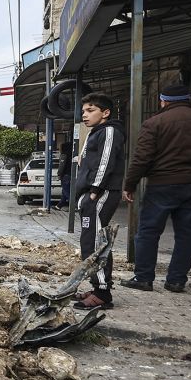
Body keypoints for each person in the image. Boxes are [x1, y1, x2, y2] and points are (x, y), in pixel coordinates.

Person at [120, 82, 191, 293]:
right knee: (188, 234)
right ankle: (176, 281)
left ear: (163, 101)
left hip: (162, 185)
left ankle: (143, 278)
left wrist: (130, 184)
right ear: (188, 100)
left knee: (148, 232)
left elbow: (142, 158)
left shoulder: (154, 123)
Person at [72, 93, 125, 310]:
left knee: (95, 241)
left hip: (100, 194)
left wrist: (94, 191)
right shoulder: (97, 132)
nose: (85, 114)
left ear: (105, 113)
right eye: (84, 111)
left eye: (90, 110)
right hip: (92, 196)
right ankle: (97, 288)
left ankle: (102, 293)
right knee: (90, 241)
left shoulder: (110, 131)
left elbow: (105, 162)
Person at [57, 140, 72, 208]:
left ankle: (74, 205)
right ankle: (59, 205)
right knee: (65, 190)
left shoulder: (64, 155)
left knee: (66, 191)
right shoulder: (72, 155)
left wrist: (59, 174)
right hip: (71, 174)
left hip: (65, 175)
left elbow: (61, 166)